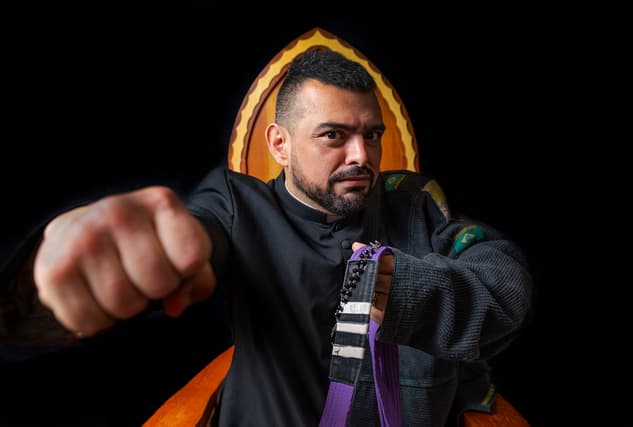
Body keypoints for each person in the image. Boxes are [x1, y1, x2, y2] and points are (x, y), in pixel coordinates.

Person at [0, 49, 533, 426]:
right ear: (279, 144)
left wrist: (412, 292)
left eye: (372, 135)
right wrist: (84, 266)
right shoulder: (235, 206)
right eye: (334, 136)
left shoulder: (414, 205)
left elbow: (505, 281)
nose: (362, 157)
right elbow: (193, 241)